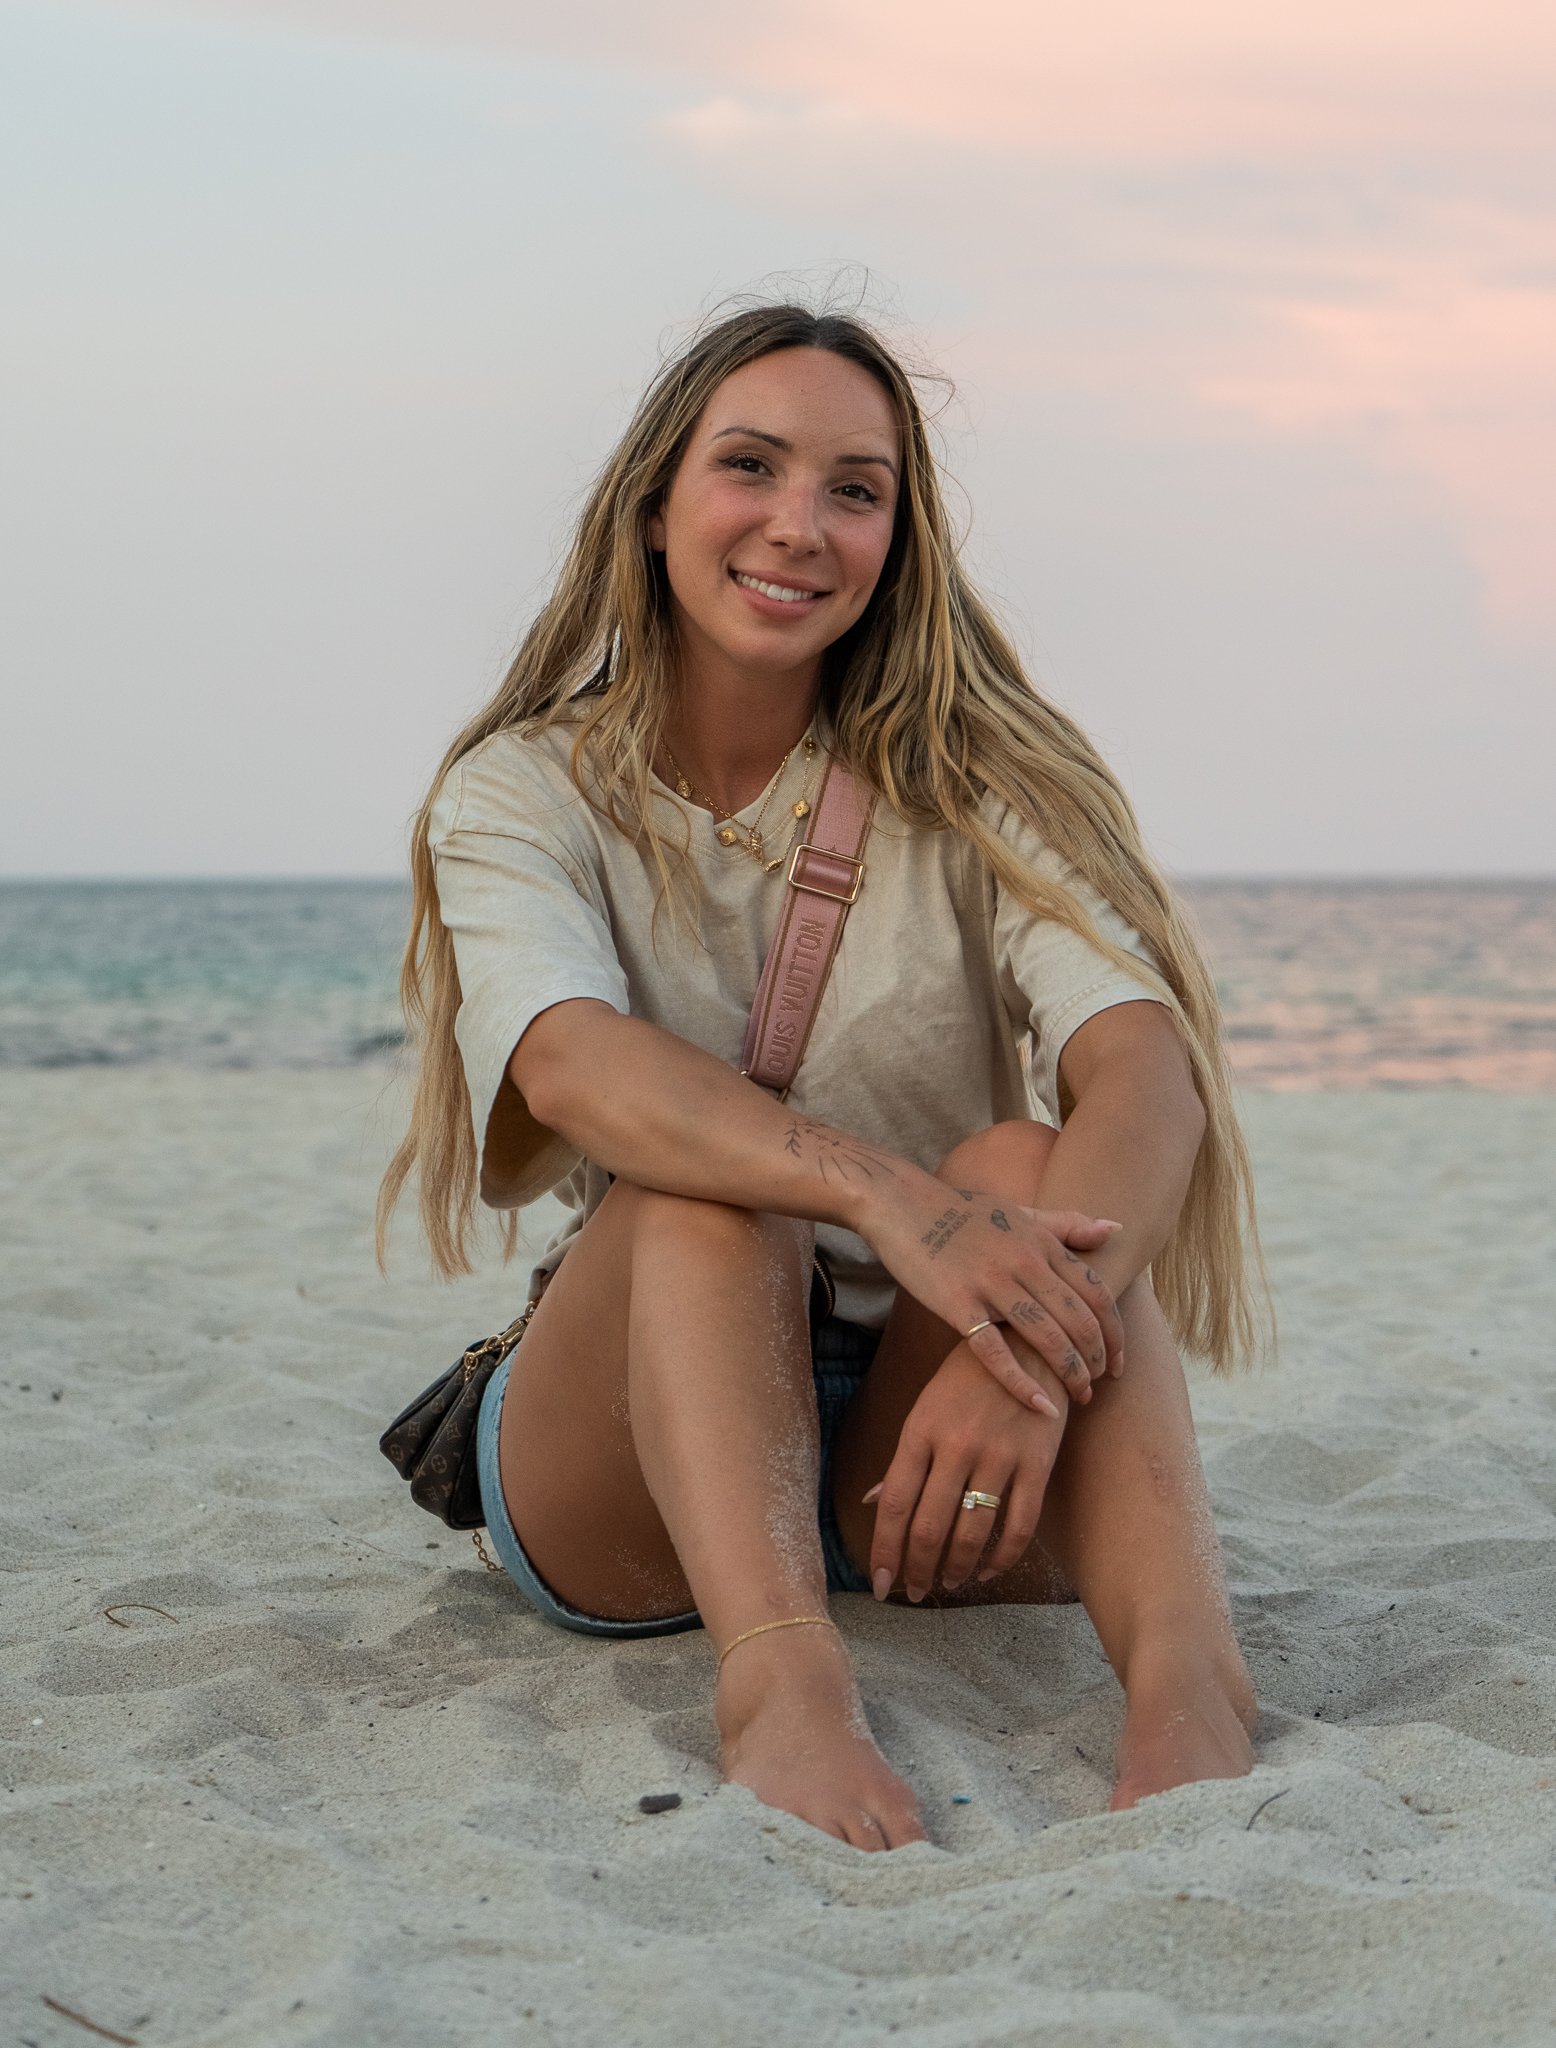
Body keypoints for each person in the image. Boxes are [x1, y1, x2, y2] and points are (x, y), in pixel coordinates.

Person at [379, 300, 1266, 1852]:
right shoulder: (523, 788)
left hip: (928, 1452)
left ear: (898, 538)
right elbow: (573, 1065)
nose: (801, 524)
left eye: (855, 488)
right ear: (656, 507)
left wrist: (1025, 1356)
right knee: (709, 1193)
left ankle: (1189, 1684)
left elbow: (1147, 1073)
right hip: (652, 1433)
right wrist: (884, 1194)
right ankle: (783, 1697)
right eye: (751, 467)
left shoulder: (978, 782)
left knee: (1024, 1162)